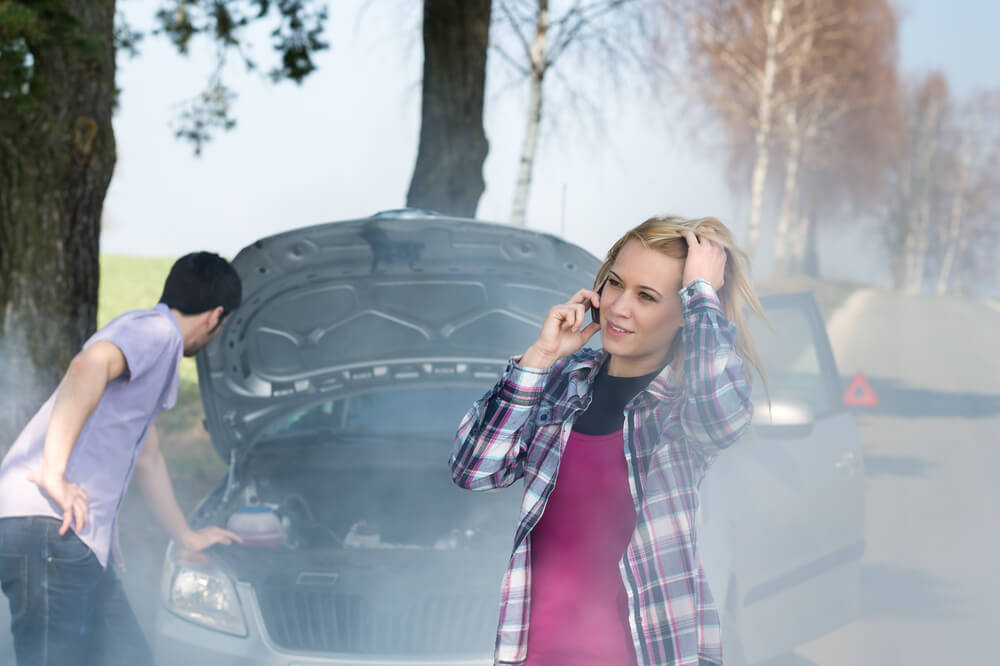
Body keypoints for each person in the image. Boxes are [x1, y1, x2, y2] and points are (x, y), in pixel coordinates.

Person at [450, 216, 767, 666]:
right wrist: (539, 360)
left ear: (683, 315)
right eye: (616, 284)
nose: (619, 307)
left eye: (647, 297)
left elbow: (722, 415)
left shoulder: (682, 406)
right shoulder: (561, 382)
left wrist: (701, 293)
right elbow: (472, 469)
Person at [0, 252, 245, 666]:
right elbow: (86, 366)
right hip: (48, 529)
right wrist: (54, 473)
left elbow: (148, 457)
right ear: (215, 316)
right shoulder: (155, 332)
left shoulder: (155, 351)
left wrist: (185, 535)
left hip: (72, 541)